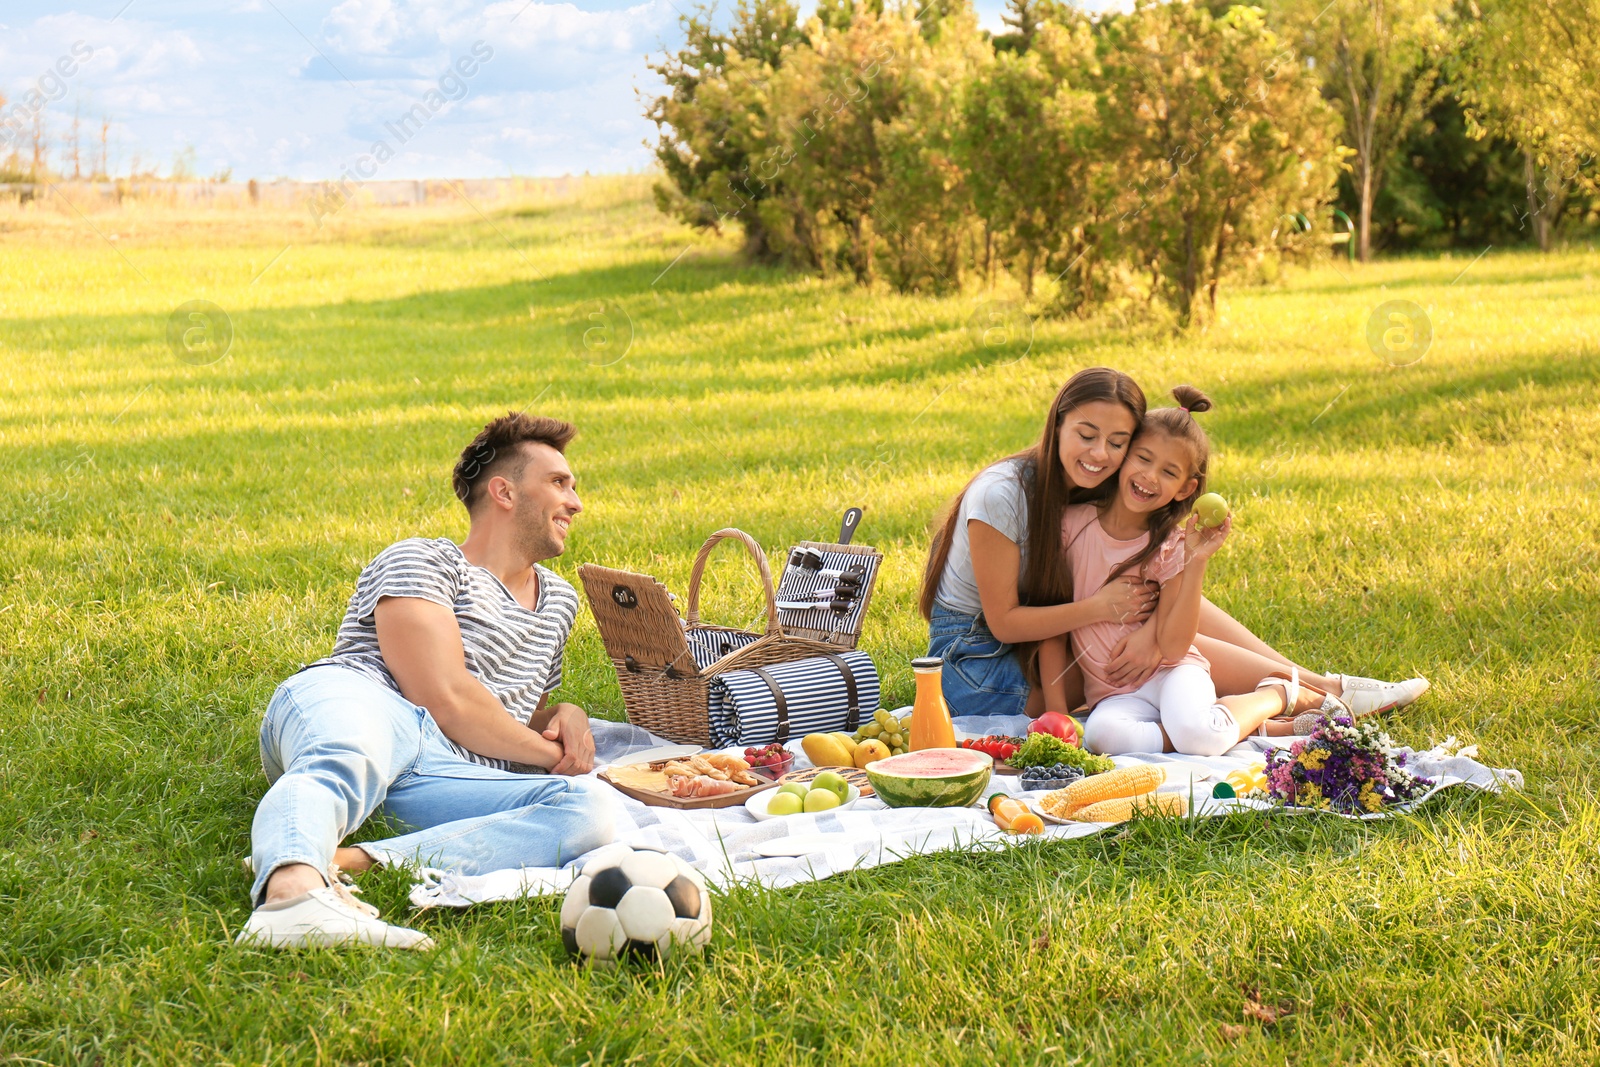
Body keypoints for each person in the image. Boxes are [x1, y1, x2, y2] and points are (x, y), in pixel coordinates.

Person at [235, 413, 616, 951]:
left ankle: (337, 862)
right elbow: (444, 698)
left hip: (441, 771)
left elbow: (505, 716)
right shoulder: (423, 559)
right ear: (504, 491)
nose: (576, 502)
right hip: (366, 702)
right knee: (347, 754)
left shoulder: (558, 602)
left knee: (588, 811)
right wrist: (552, 754)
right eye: (559, 483)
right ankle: (290, 899)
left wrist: (563, 715)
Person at [920, 367, 1427, 719]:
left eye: (1118, 443)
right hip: (980, 665)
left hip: (1041, 641)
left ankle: (1316, 682)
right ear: (1057, 423)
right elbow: (1006, 621)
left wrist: (1150, 629)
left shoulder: (1088, 489)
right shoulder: (1003, 495)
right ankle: (1317, 694)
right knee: (1151, 638)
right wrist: (1107, 609)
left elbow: (1150, 591)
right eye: (1086, 434)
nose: (1100, 454)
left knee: (1168, 605)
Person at [1038, 388, 1347, 755]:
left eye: (1168, 472)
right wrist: (1054, 713)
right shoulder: (1070, 527)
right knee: (1102, 738)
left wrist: (1195, 561)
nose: (1150, 477)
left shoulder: (1170, 546)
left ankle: (1278, 694)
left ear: (1187, 488)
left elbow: (1172, 646)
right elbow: (1052, 628)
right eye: (1143, 459)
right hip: (1113, 695)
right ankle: (1250, 727)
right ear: (1123, 458)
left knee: (1198, 736)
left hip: (1173, 673)